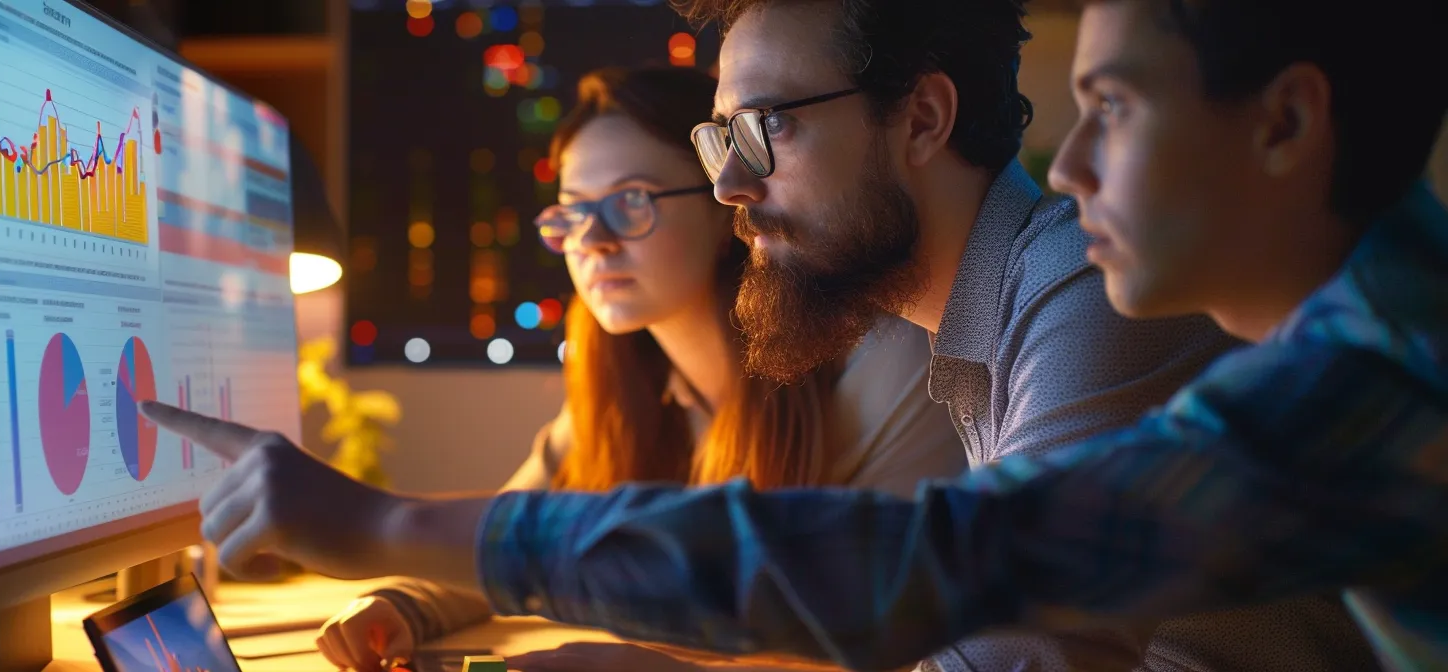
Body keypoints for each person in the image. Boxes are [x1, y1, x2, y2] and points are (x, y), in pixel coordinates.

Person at [141, 0, 1448, 668]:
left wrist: (386, 526)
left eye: (764, 134)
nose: (730, 186)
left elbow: (953, 574)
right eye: (718, 142)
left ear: (923, 124)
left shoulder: (1337, 357)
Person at [309, 66, 965, 672]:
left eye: (630, 201)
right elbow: (510, 535)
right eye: (572, 211)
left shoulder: (883, 363)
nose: (592, 242)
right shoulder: (631, 392)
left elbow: (900, 642)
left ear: (726, 207)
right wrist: (403, 604)